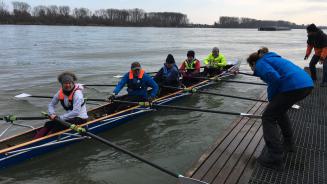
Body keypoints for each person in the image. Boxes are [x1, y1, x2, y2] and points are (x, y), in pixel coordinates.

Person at [247, 47, 313, 169]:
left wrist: (271, 97)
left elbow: (274, 78)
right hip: (306, 84)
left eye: (251, 68)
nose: (252, 70)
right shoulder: (272, 58)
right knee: (280, 112)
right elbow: (277, 77)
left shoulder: (261, 63)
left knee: (268, 117)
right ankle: (289, 144)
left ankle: (275, 158)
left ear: (253, 63)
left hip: (294, 86)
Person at [34, 72, 88, 139]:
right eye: (65, 83)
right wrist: (52, 114)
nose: (67, 85)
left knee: (58, 125)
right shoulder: (60, 92)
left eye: (69, 83)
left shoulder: (77, 94)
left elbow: (76, 112)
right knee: (48, 123)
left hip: (80, 118)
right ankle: (35, 139)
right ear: (62, 84)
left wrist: (60, 118)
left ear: (73, 83)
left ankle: (44, 141)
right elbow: (51, 105)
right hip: (70, 117)